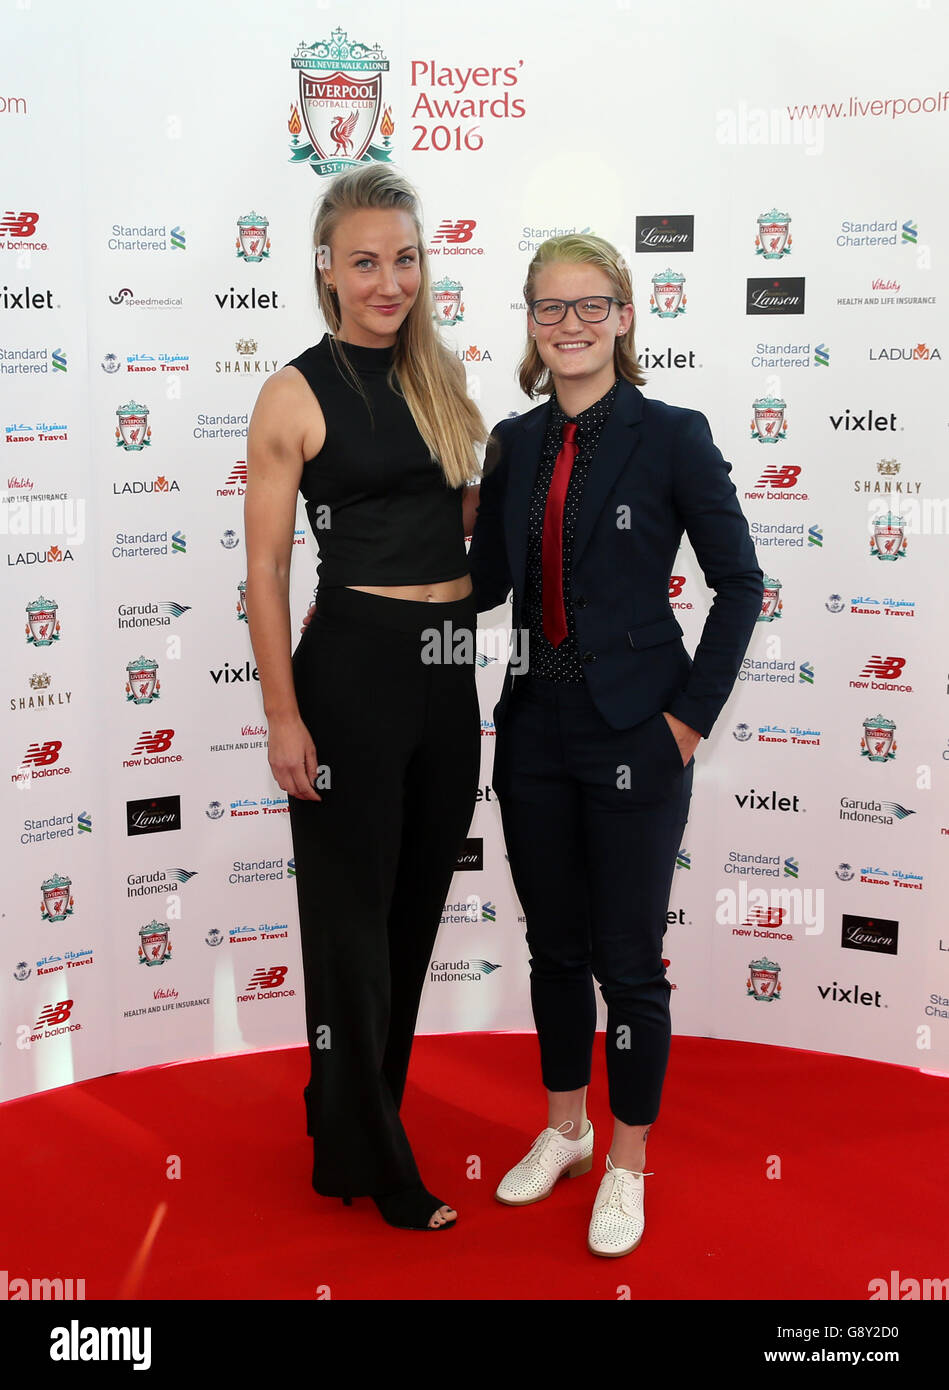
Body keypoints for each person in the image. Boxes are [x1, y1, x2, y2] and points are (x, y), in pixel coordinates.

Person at [468, 233, 762, 1256]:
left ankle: (628, 1161)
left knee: (628, 963)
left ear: (625, 315)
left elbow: (740, 582)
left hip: (638, 729)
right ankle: (566, 1129)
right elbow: (483, 585)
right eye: (549, 309)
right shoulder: (511, 442)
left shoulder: (674, 434)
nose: (570, 325)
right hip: (531, 730)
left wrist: (688, 719)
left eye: (590, 305)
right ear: (531, 324)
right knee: (555, 946)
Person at [243, 163, 486, 1231]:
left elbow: (468, 522)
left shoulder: (440, 374)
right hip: (351, 669)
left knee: (410, 911)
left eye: (405, 258)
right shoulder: (295, 390)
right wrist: (283, 714)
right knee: (349, 924)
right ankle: (379, 1160)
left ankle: (349, 1109)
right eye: (366, 261)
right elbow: (264, 574)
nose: (390, 280)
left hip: (445, 664)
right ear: (326, 270)